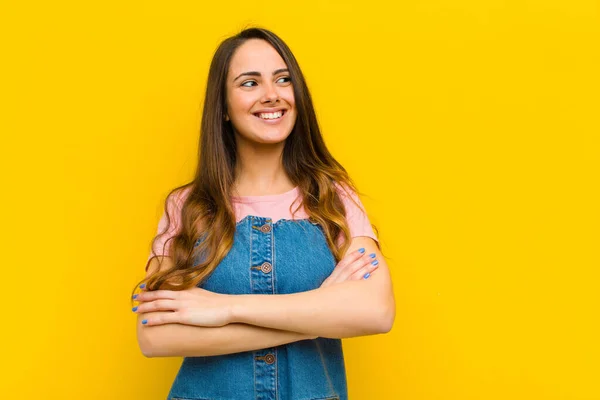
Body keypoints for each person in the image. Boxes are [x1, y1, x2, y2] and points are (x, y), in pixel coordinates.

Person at [132, 27, 395, 400]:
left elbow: (376, 312)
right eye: (249, 83)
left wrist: (224, 309)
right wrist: (315, 317)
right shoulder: (187, 206)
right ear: (222, 106)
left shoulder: (333, 199)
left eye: (283, 79)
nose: (271, 95)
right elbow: (154, 334)